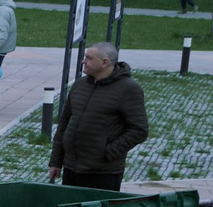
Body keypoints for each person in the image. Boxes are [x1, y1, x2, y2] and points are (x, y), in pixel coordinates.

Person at [50, 43, 149, 192]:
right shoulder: (79, 85)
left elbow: (139, 130)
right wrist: (56, 161)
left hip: (103, 173)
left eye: (89, 58)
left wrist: (108, 152)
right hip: (71, 169)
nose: (84, 61)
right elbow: (64, 124)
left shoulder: (128, 89)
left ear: (105, 62)